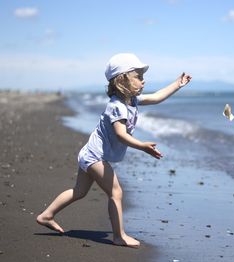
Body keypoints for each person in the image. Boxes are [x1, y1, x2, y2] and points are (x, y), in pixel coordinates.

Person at [36, 53, 192, 248]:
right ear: (122, 80)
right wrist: (142, 145)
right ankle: (119, 236)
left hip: (91, 153)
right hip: (94, 156)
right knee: (116, 192)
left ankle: (46, 215)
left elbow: (156, 97)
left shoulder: (132, 101)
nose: (143, 82)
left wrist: (177, 84)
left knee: (79, 191)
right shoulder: (117, 107)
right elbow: (120, 134)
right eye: (138, 77)